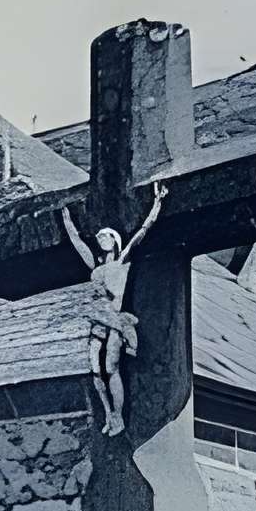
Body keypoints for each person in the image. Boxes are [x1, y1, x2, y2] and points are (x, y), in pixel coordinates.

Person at [60, 180, 167, 436]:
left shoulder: (121, 261)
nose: (100, 239)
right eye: (98, 237)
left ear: (114, 240)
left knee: (111, 369)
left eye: (104, 236)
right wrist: (66, 217)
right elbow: (76, 241)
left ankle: (118, 415)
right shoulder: (95, 267)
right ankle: (108, 413)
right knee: (96, 373)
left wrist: (158, 203)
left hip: (114, 323)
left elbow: (143, 230)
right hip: (97, 321)